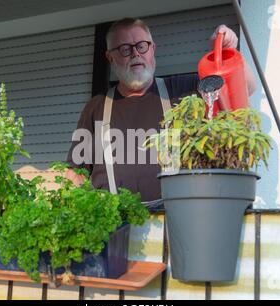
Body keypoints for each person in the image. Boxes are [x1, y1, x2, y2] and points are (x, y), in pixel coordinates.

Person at [65, 18, 256, 201]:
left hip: (173, 224)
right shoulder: (96, 107)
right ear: (110, 57)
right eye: (125, 49)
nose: (135, 54)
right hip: (114, 226)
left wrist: (228, 50)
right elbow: (74, 175)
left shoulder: (184, 90)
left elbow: (245, 88)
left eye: (142, 45)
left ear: (153, 49)